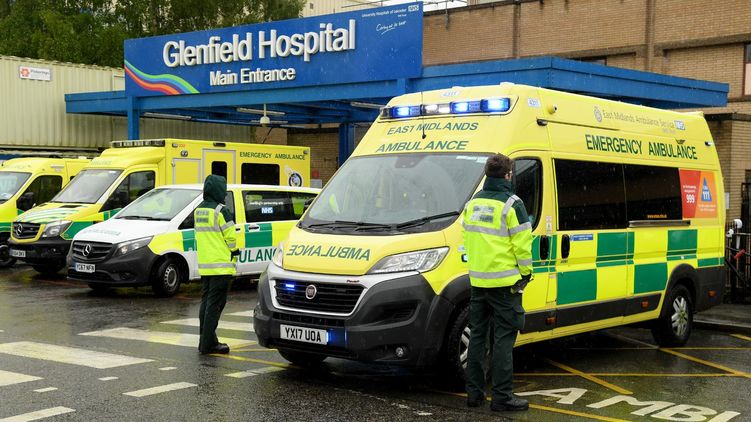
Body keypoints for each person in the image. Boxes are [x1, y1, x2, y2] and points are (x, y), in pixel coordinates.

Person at [462, 153, 533, 411]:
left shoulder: (473, 203)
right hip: (505, 285)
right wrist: (526, 273)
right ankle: (502, 397)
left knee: (477, 337)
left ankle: (474, 394)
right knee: (503, 339)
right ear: (508, 175)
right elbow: (522, 246)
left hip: (478, 282)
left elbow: (467, 240)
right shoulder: (513, 204)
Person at [196, 174, 239, 355]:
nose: (224, 193)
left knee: (206, 303)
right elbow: (231, 237)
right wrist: (235, 252)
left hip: (206, 265)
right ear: (218, 191)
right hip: (221, 265)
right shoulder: (221, 211)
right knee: (216, 305)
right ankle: (208, 344)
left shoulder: (199, 210)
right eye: (223, 189)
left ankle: (205, 340)